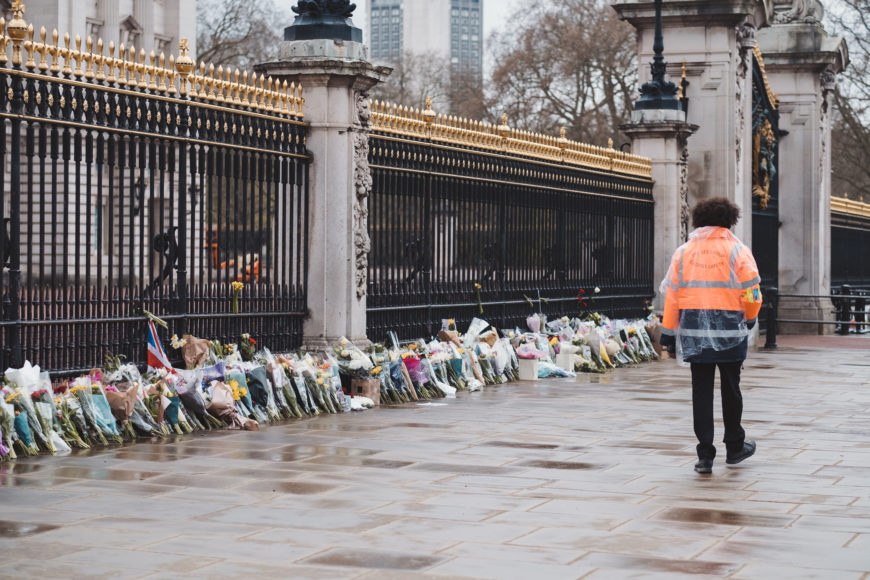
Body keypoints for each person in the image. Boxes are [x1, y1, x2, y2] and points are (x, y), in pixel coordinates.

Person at [659, 197, 762, 474]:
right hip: (730, 330)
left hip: (694, 331)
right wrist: (750, 317)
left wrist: (668, 336)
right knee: (731, 388)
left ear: (698, 220)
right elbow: (752, 291)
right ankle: (735, 446)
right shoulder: (738, 251)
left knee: (701, 392)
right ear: (730, 220)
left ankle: (705, 455)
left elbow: (672, 298)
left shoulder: (683, 252)